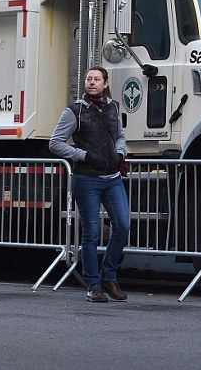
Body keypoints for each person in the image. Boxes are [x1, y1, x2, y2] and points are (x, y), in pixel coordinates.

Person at [49, 66, 130, 303]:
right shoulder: (74, 111)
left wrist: (120, 153)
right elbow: (55, 143)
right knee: (91, 234)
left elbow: (120, 136)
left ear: (105, 84)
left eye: (96, 79)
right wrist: (83, 155)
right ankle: (93, 285)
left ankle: (109, 276)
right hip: (87, 180)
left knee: (123, 226)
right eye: (88, 79)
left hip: (113, 178)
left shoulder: (114, 107)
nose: (91, 82)